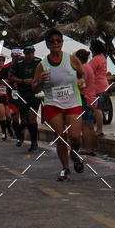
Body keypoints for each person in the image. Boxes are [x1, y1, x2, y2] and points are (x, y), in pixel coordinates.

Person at [33, 28, 85, 180]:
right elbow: (34, 87)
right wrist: (39, 82)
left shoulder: (71, 59)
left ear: (62, 43)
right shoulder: (42, 65)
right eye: (52, 41)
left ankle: (74, 154)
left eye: (58, 41)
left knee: (75, 136)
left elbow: (82, 75)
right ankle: (65, 168)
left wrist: (81, 82)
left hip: (73, 102)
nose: (55, 43)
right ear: (47, 44)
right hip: (52, 103)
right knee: (61, 136)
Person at [10, 45, 41, 151]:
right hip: (22, 93)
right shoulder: (19, 64)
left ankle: (34, 142)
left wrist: (36, 80)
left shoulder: (38, 62)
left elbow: (45, 73)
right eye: (27, 53)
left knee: (32, 117)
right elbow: (11, 77)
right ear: (24, 53)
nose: (30, 55)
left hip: (34, 93)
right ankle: (22, 134)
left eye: (31, 52)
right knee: (24, 119)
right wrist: (23, 81)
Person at [77, 48, 96, 155]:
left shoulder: (83, 68)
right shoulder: (88, 67)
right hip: (91, 98)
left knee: (85, 126)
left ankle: (88, 149)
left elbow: (81, 85)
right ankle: (91, 148)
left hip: (85, 98)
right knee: (90, 126)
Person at [88, 40, 109, 137]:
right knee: (98, 108)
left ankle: (99, 130)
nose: (89, 48)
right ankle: (99, 129)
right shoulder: (102, 57)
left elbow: (88, 71)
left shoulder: (96, 59)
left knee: (97, 109)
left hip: (97, 86)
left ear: (94, 48)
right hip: (103, 85)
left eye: (91, 47)